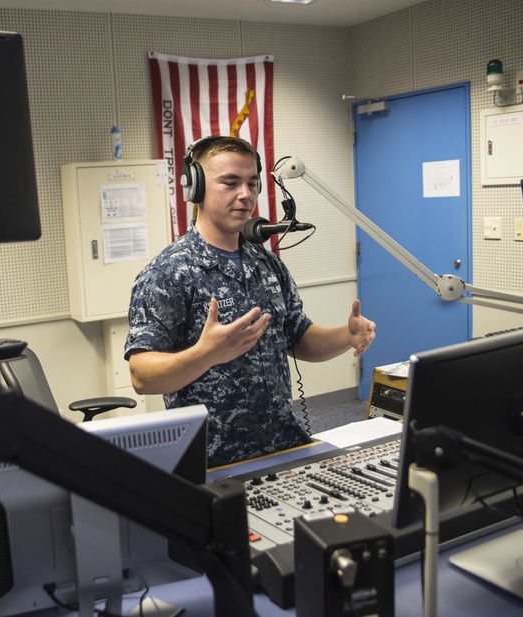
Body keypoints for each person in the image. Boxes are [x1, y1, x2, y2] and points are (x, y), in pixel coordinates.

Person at [124, 136, 376, 467]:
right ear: (197, 190)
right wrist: (205, 354)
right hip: (212, 462)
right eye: (230, 183)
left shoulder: (268, 264)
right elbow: (142, 376)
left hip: (283, 446)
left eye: (252, 184)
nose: (245, 195)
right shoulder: (168, 273)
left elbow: (300, 339)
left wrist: (347, 335)